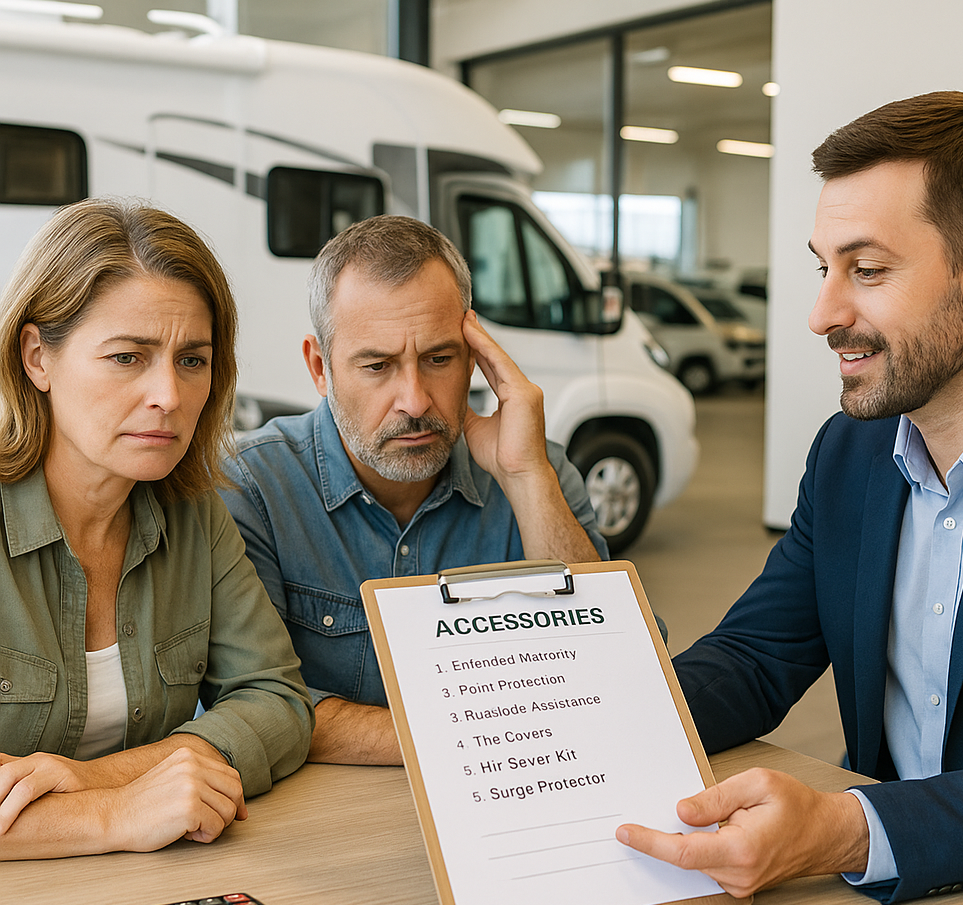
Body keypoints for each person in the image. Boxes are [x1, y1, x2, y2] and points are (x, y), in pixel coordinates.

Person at [616, 91, 963, 904]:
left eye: (867, 270)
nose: (820, 314)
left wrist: (850, 827)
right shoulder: (851, 455)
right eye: (823, 266)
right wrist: (582, 728)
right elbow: (756, 656)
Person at [221, 215, 608, 766]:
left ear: (476, 355)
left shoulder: (537, 473)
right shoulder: (253, 486)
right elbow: (247, 706)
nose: (416, 400)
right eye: (378, 366)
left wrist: (526, 479)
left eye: (439, 359)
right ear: (320, 368)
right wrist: (485, 732)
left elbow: (610, 669)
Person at [0, 198, 313, 860]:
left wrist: (104, 777)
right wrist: (114, 813)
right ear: (37, 358)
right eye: (127, 357)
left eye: (192, 360)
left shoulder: (194, 511)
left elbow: (277, 700)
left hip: (145, 889)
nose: (169, 395)